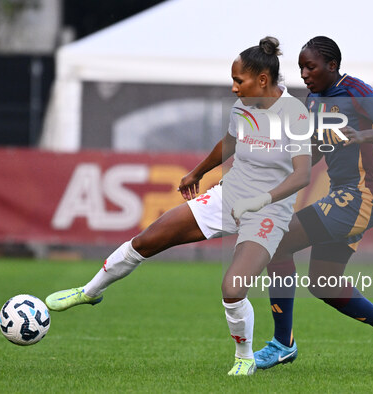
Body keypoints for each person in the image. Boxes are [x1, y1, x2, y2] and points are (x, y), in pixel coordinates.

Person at [45, 37, 313, 376]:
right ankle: (90, 291)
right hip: (227, 197)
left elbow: (302, 175)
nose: (233, 88)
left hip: (268, 212)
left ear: (262, 79)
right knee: (146, 241)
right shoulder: (245, 105)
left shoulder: (295, 114)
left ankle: (244, 356)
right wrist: (197, 172)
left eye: (238, 81)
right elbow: (230, 141)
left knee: (232, 288)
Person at [253, 36, 373, 371]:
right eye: (300, 67)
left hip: (366, 194)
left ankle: (283, 343)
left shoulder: (356, 91)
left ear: (332, 66)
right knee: (323, 283)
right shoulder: (314, 100)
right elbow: (312, 151)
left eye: (310, 66)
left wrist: (364, 135)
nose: (304, 74)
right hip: (343, 194)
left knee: (276, 243)